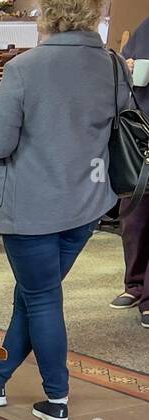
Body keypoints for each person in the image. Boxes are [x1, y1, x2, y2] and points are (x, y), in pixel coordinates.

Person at [0, 0, 127, 420]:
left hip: (32, 207)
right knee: (35, 293)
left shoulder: (25, 68)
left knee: (41, 297)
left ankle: (57, 397)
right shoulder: (114, 66)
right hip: (87, 204)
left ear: (49, 15)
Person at [112, 14, 149, 329]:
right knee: (133, 213)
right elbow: (124, 62)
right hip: (141, 134)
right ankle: (134, 284)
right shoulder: (147, 25)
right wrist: (129, 67)